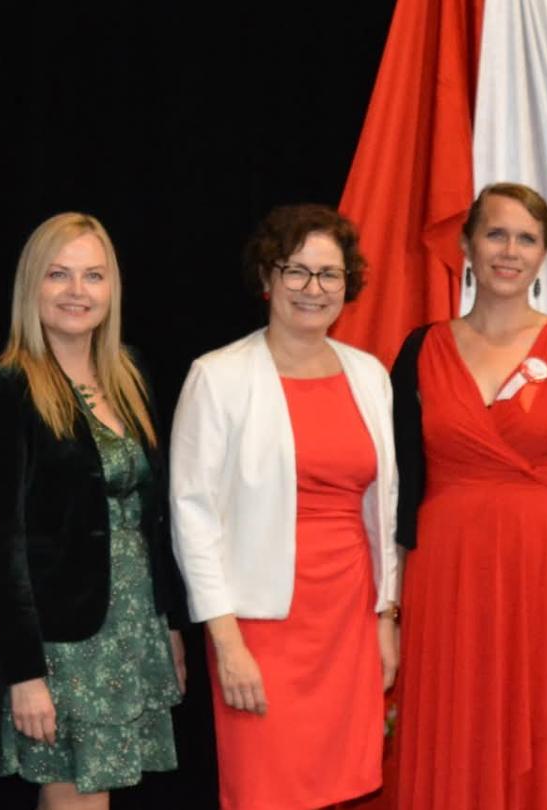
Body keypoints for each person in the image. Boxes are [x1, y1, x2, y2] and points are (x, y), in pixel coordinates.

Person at [391, 182, 547, 810]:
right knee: (452, 726)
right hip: (445, 580)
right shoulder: (419, 350)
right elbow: (399, 493)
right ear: (468, 245)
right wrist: (389, 609)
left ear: (545, 254)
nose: (509, 250)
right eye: (496, 233)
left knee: (544, 739)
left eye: (526, 238)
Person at [170, 204, 401, 809]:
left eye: (329, 275)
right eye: (296, 271)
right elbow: (193, 518)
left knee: (343, 788)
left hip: (349, 620)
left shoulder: (370, 375)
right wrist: (227, 641)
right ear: (266, 279)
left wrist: (385, 617)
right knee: (264, 791)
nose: (313, 289)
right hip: (260, 628)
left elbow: (386, 508)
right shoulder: (217, 376)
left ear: (348, 286)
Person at [0, 212, 186, 808]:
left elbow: (153, 514)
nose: (77, 291)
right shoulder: (5, 386)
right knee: (72, 799)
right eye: (58, 275)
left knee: (99, 797)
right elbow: (0, 541)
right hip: (59, 640)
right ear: (30, 286)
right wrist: (23, 673)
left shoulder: (131, 375)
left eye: (93, 276)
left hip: (132, 624)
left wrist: (168, 623)